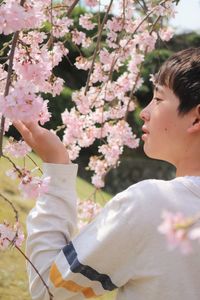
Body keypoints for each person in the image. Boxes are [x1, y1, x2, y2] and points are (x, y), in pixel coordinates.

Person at [14, 47, 200, 300]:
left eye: (157, 99)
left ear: (196, 118)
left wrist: (56, 167)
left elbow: (49, 289)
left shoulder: (153, 204)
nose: (144, 112)